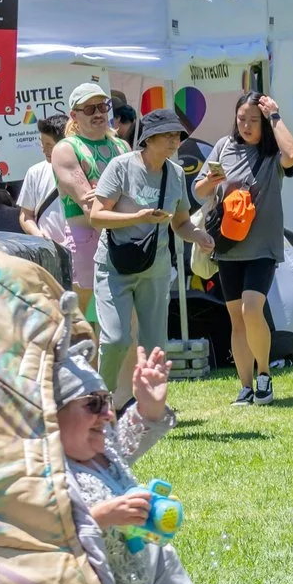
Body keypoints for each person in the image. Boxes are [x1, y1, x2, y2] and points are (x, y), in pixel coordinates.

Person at [58, 337, 250, 584]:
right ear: (52, 414)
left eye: (107, 403)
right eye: (92, 404)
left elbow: (126, 435)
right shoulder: (54, 474)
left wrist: (148, 404)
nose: (106, 416)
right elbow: (48, 532)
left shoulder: (103, 452)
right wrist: (101, 517)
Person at [193, 92, 293, 407]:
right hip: (228, 246)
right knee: (236, 319)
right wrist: (211, 181)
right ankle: (245, 386)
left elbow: (292, 154)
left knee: (251, 309)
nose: (247, 126)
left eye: (254, 120)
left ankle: (264, 374)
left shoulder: (271, 153)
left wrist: (275, 117)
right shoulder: (223, 148)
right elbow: (198, 189)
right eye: (242, 119)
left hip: (263, 246)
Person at [84, 108, 193, 410]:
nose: (175, 140)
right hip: (114, 266)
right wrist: (138, 216)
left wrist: (200, 237)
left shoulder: (176, 174)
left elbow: (181, 222)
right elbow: (96, 216)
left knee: (156, 347)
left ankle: (149, 409)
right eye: (168, 134)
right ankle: (99, 403)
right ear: (149, 138)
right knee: (116, 340)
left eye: (177, 135)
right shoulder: (121, 167)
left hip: (155, 270)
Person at [50, 83, 127, 320]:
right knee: (80, 318)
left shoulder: (121, 146)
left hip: (122, 237)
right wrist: (119, 197)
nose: (98, 114)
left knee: (121, 320)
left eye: (103, 106)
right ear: (74, 115)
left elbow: (133, 193)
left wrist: (102, 193)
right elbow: (91, 208)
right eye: (90, 108)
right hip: (85, 239)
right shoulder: (66, 149)